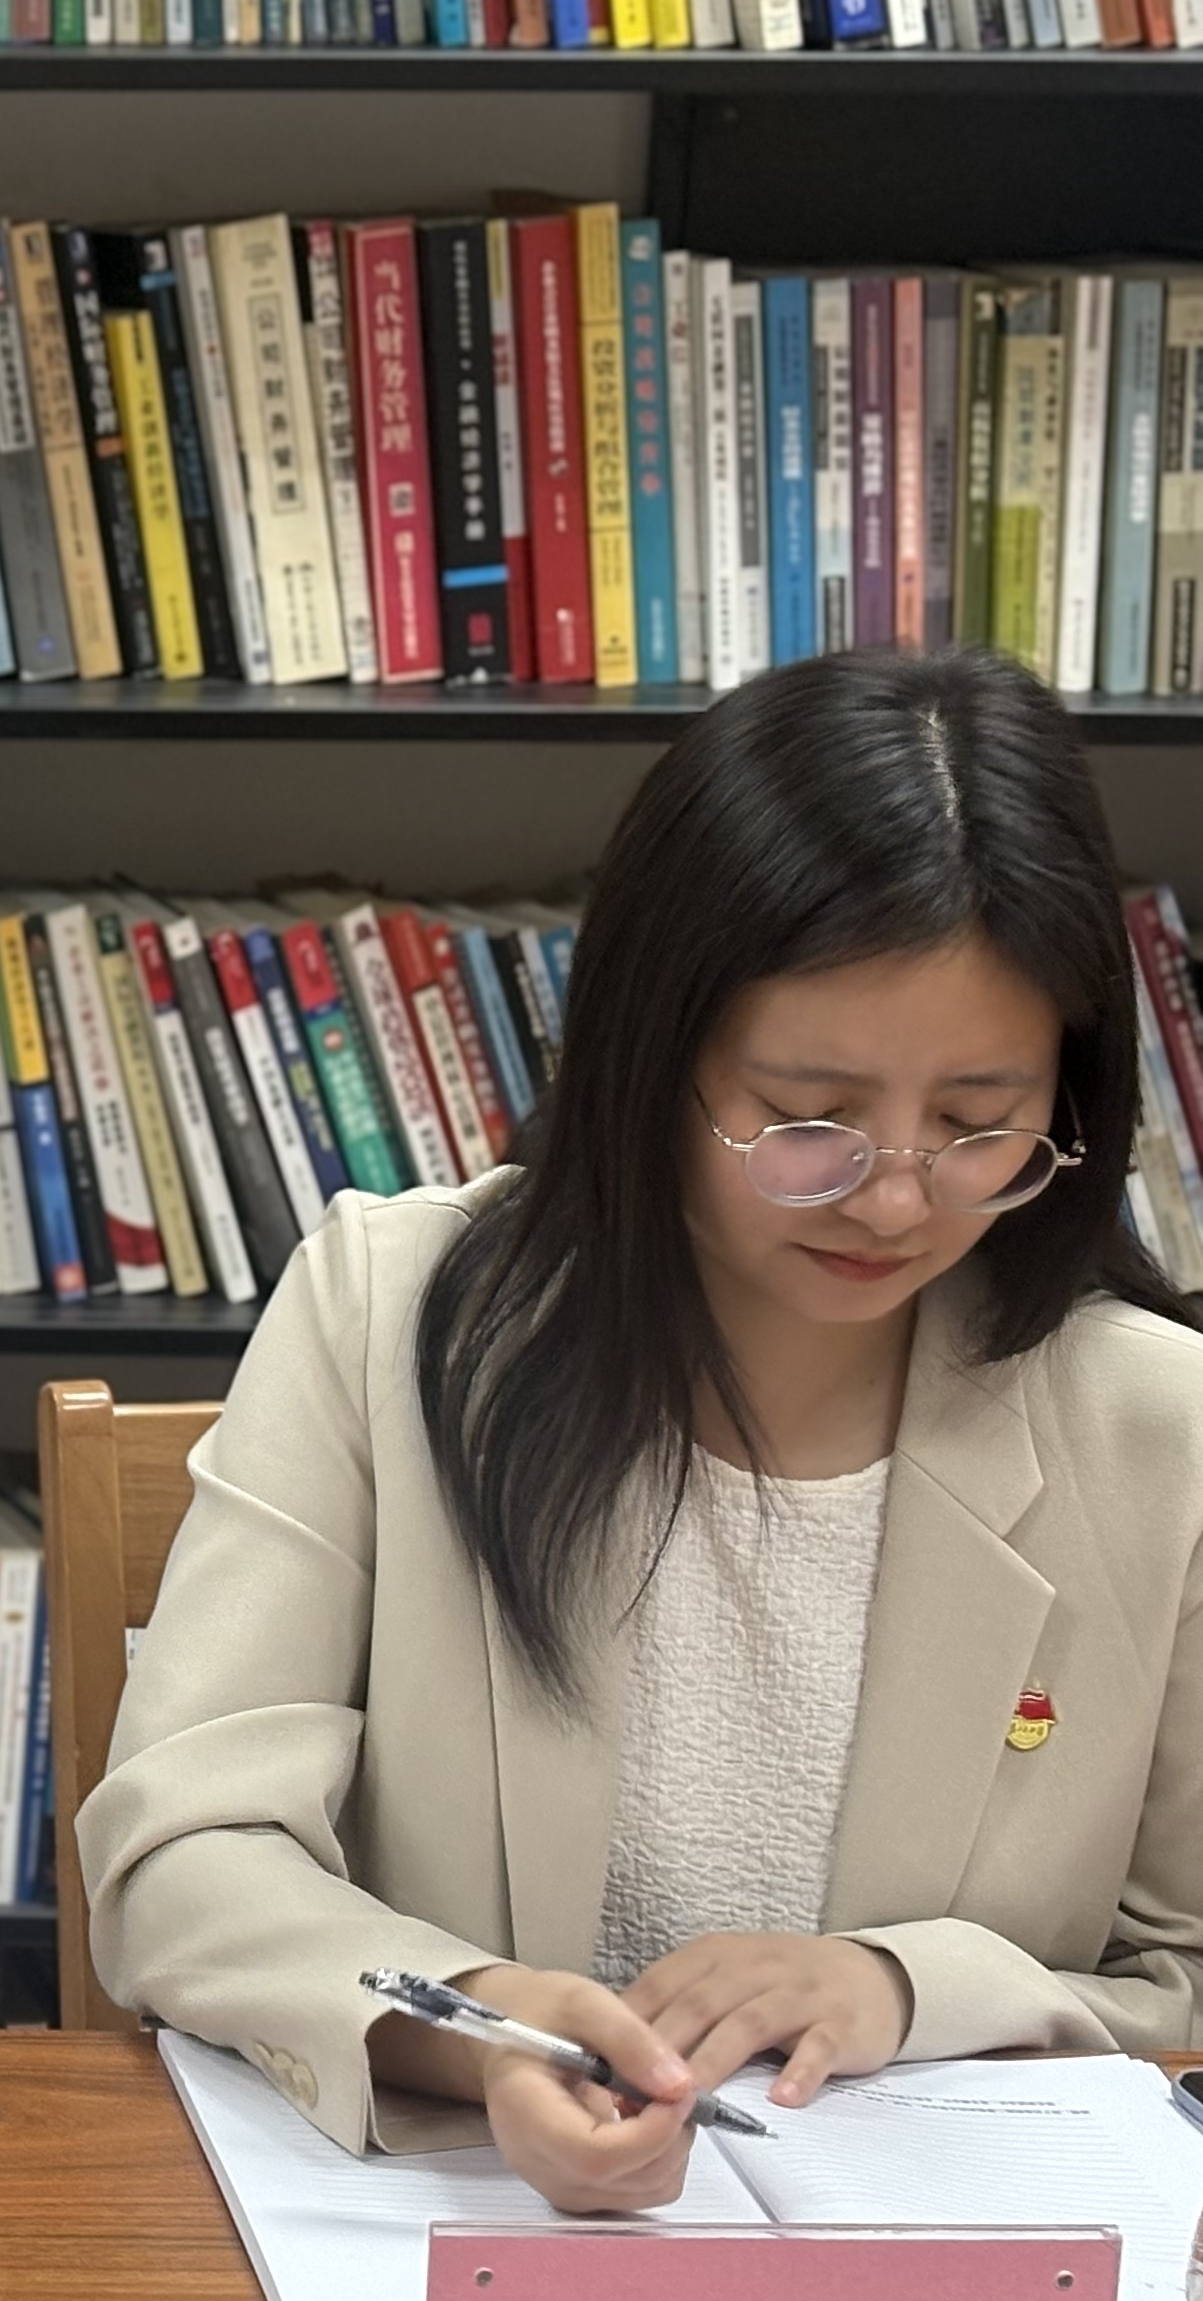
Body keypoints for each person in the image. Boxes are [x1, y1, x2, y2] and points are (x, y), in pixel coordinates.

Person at [84, 650, 1203, 2212]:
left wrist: (903, 1986)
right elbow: (183, 1855)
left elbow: (1181, 1970)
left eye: (975, 1123)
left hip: (948, 2291)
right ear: (654, 1053)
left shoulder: (1157, 1429)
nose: (893, 1198)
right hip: (454, 2241)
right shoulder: (390, 1317)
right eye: (809, 1115)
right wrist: (483, 2025)